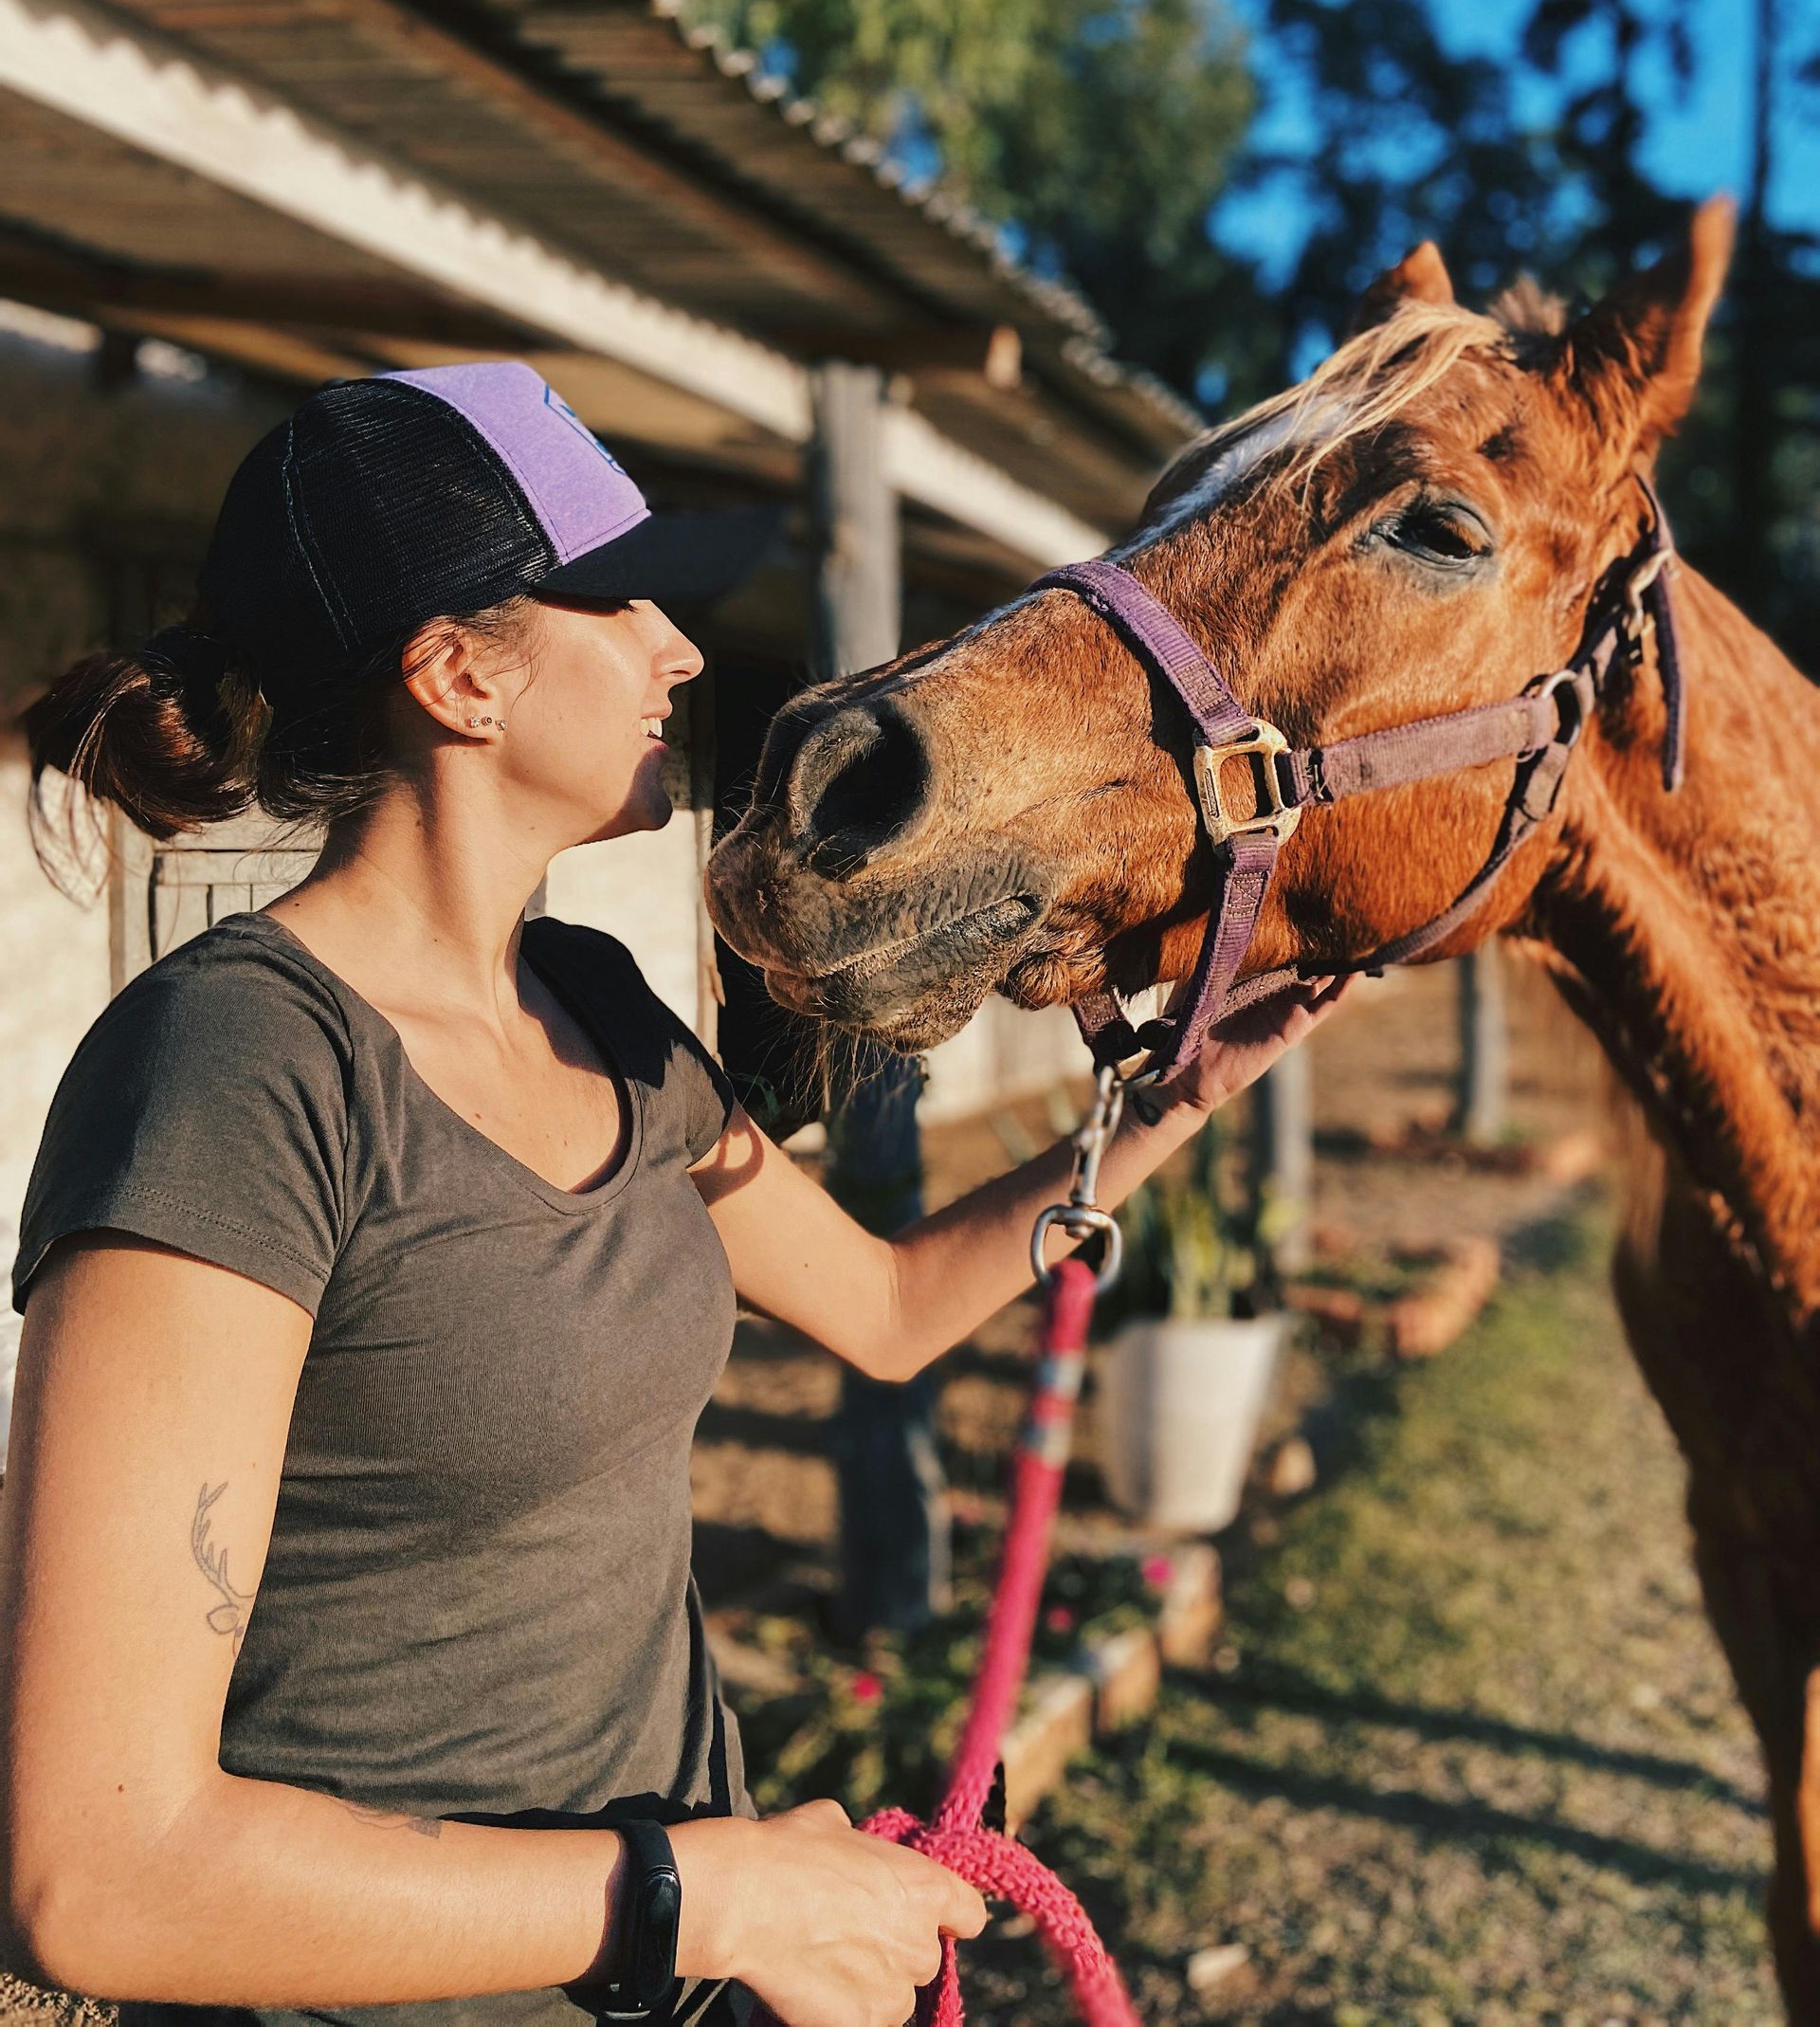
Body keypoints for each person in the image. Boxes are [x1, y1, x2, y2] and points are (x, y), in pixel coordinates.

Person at [0, 364, 1337, 2027]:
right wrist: (712, 1894)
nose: (680, 649)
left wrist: (1163, 1102)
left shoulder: (601, 1007)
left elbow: (889, 1311)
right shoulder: (231, 1075)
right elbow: (102, 1876)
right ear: (457, 675)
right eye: (624, 601)